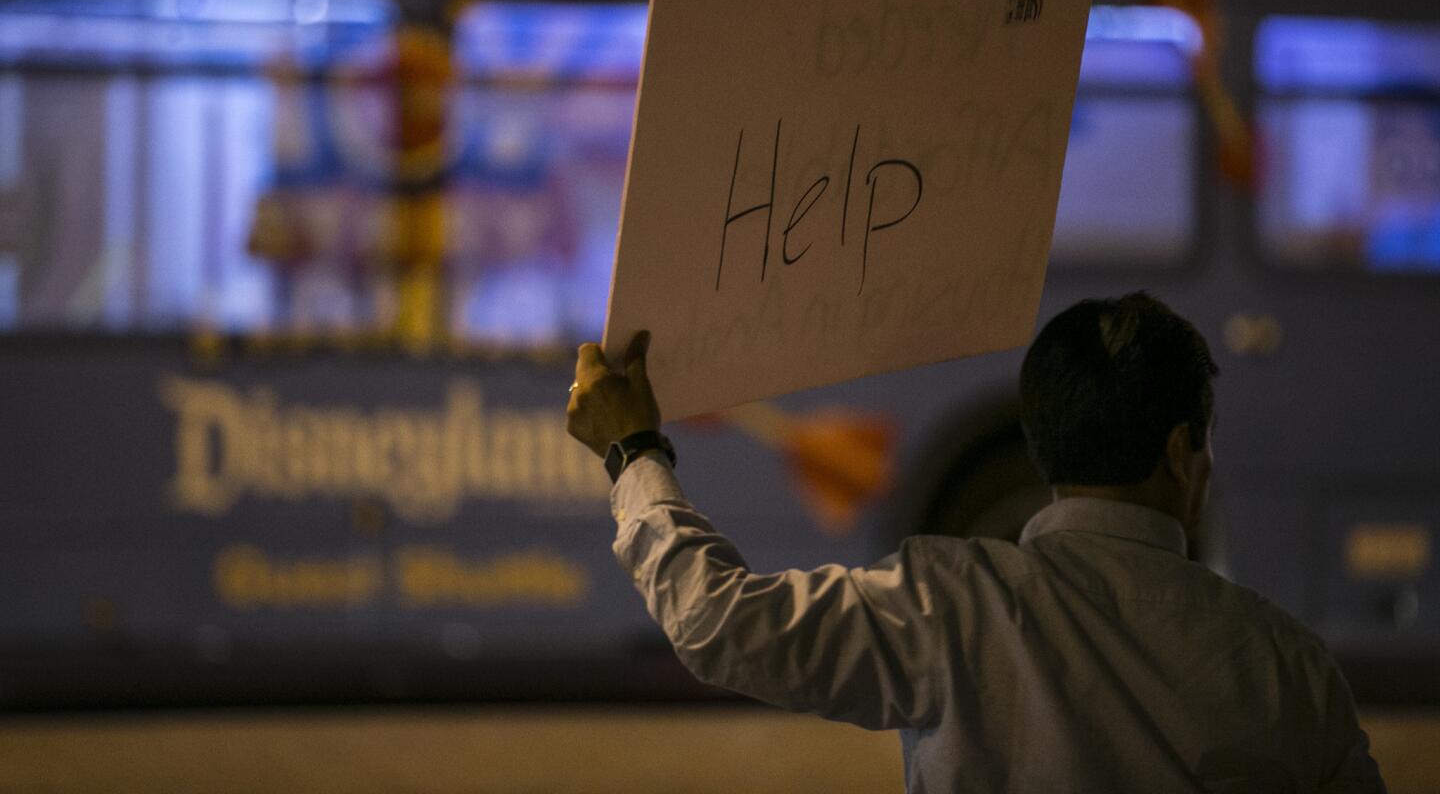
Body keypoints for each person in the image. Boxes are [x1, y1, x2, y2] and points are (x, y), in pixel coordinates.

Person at [565, 293, 1386, 792]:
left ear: (1044, 442)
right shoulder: (1287, 665)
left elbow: (719, 624)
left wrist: (634, 453)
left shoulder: (945, 605)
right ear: (1180, 453)